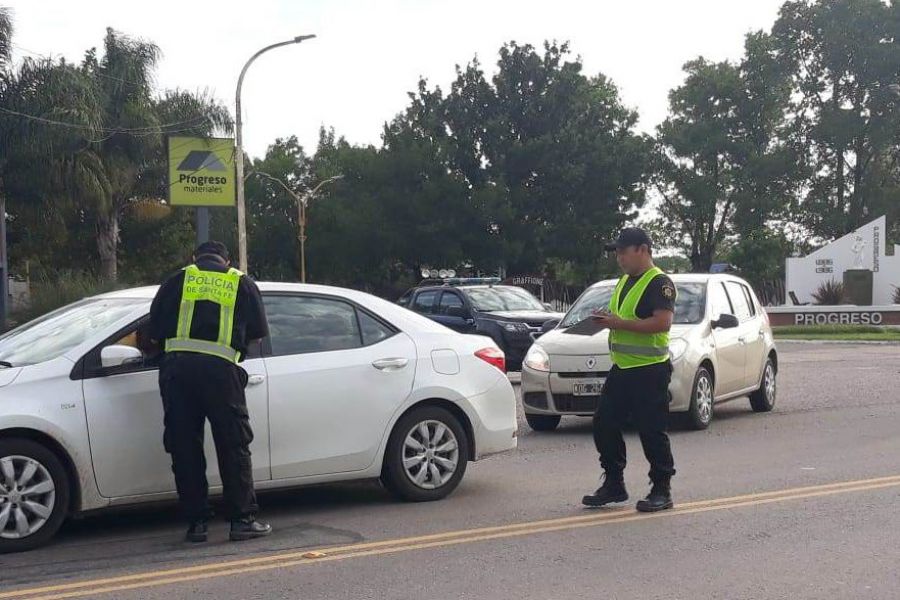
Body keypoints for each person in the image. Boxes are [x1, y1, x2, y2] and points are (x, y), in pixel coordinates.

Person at [150, 241, 272, 542]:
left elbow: (155, 329)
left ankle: (197, 525)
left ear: (194, 258)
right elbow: (258, 331)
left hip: (177, 372)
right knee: (233, 445)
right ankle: (241, 521)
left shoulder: (177, 280)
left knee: (184, 446)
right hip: (220, 373)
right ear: (227, 259)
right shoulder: (239, 281)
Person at [581, 228, 678, 513]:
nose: (619, 257)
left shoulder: (659, 283)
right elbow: (622, 317)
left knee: (651, 431)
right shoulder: (624, 281)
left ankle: (662, 489)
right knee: (603, 424)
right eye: (617, 252)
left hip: (650, 371)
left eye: (623, 251)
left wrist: (618, 324)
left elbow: (662, 323)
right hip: (623, 368)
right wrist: (605, 320)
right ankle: (614, 483)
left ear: (643, 250)